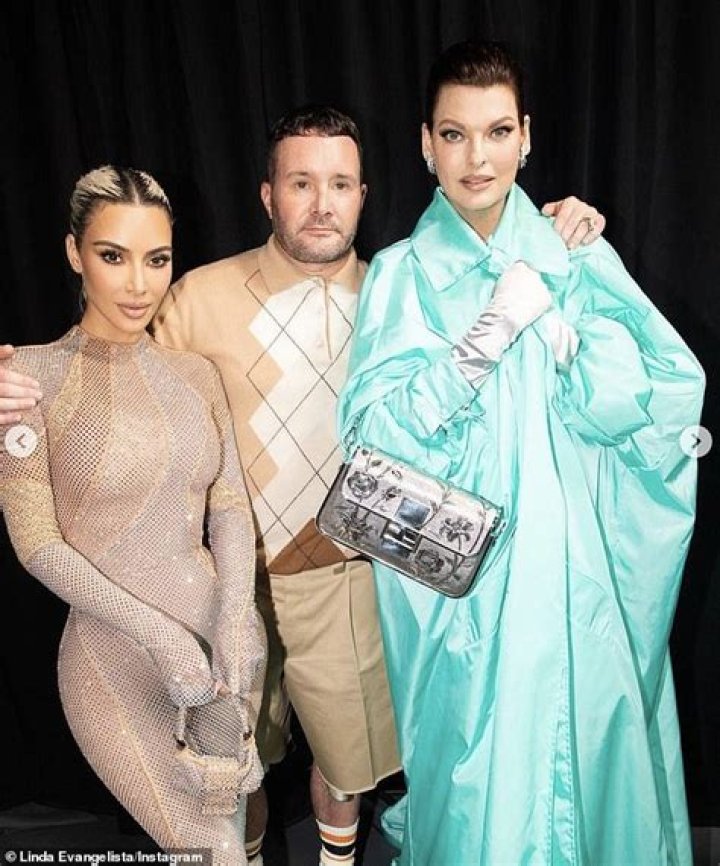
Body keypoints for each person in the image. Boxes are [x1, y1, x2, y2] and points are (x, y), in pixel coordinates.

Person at [0, 107, 606, 866]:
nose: (322, 203)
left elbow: (493, 338)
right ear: (267, 194)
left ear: (363, 194)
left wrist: (562, 232)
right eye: (300, 183)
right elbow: (105, 381)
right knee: (229, 778)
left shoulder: (403, 294)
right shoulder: (193, 296)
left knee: (347, 770)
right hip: (212, 590)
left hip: (343, 583)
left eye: (341, 184)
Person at [337, 42, 704, 866]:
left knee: (592, 766)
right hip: (467, 601)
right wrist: (484, 340)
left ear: (527, 137)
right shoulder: (400, 276)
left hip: (579, 582)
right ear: (426, 143)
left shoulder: (574, 250)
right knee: (481, 789)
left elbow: (659, 394)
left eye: (498, 131)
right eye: (455, 134)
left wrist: (572, 344)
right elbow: (375, 441)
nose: (478, 157)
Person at [0, 166, 265, 865]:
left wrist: (235, 618)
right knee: (211, 851)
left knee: (230, 836)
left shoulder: (197, 375)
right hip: (111, 660)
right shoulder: (27, 380)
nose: (139, 284)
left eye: (157, 259)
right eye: (113, 256)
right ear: (73, 253)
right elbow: (36, 543)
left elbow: (229, 508)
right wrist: (165, 639)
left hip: (222, 647)